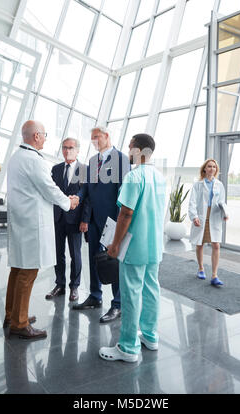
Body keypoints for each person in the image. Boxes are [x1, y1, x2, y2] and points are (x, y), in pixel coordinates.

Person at [4, 120, 79, 340]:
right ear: (36, 136)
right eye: (44, 134)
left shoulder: (17, 157)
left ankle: (13, 314)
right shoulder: (34, 160)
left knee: (17, 270)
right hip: (31, 226)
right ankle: (19, 323)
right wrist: (69, 203)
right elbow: (49, 189)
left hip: (21, 222)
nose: (46, 138)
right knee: (28, 272)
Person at [98, 133, 166, 362]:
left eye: (130, 147)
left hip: (134, 247)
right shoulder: (159, 177)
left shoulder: (134, 177)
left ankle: (128, 347)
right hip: (154, 246)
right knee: (151, 290)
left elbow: (126, 213)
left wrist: (115, 244)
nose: (128, 151)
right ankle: (150, 336)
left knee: (131, 294)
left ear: (138, 150)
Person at [73, 126, 130, 323]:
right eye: (92, 139)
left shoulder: (121, 159)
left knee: (112, 260)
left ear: (107, 136)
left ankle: (118, 304)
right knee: (94, 259)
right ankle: (95, 296)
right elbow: (87, 189)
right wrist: (77, 198)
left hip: (112, 220)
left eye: (97, 137)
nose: (94, 141)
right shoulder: (92, 161)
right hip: (95, 220)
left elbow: (123, 192)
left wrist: (118, 224)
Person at [45, 137, 91, 302]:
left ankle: (75, 286)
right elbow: (51, 193)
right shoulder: (56, 169)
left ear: (78, 150)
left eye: (71, 148)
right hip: (57, 218)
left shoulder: (85, 170)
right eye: (64, 147)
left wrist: (85, 220)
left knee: (75, 254)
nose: (67, 150)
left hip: (76, 220)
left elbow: (87, 198)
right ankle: (60, 285)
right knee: (58, 253)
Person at [188, 158, 228, 286]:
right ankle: (201, 268)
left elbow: (222, 202)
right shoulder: (198, 185)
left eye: (214, 167)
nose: (212, 169)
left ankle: (215, 275)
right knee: (200, 244)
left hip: (214, 216)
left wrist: (225, 212)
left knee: (216, 245)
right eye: (209, 166)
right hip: (202, 215)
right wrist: (194, 216)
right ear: (205, 169)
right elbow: (192, 202)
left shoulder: (219, 184)